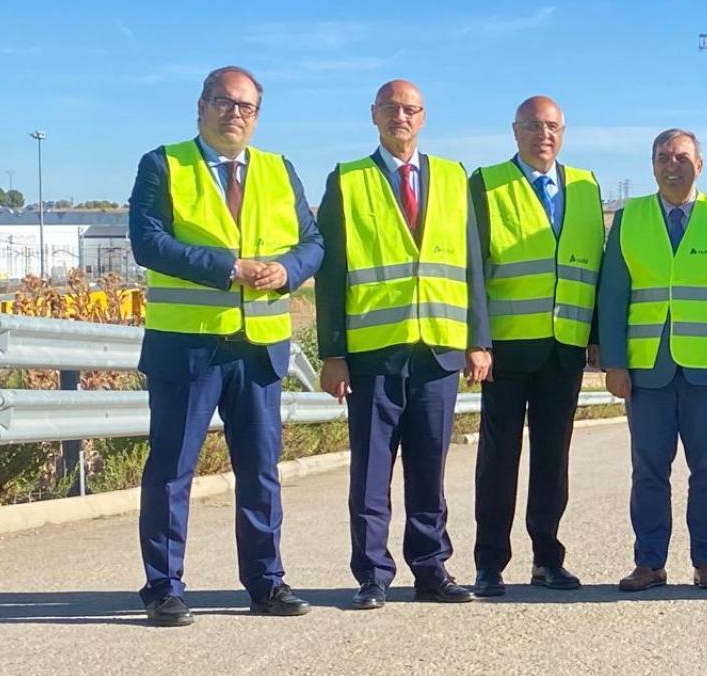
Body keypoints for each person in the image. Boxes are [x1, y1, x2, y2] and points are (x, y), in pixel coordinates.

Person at [127, 66, 323, 627]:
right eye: (224, 102)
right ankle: (164, 587)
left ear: (257, 115)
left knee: (261, 470)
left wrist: (286, 270)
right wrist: (227, 268)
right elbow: (148, 242)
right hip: (187, 348)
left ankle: (266, 583)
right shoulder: (163, 164)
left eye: (246, 106)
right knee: (172, 469)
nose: (234, 114)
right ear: (201, 105)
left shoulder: (279, 170)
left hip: (258, 347)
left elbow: (314, 243)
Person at [316, 79, 491, 610]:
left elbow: (471, 263)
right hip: (374, 353)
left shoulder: (453, 177)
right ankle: (372, 573)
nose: (402, 117)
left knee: (430, 466)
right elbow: (331, 274)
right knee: (371, 470)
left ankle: (430, 566)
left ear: (424, 117)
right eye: (392, 108)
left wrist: (477, 340)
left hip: (438, 349)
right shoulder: (348, 181)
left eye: (411, 110)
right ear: (373, 115)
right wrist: (333, 352)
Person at [598, 129, 707, 592]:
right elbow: (613, 295)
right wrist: (614, 361)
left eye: (683, 157)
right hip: (647, 368)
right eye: (663, 157)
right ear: (652, 165)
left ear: (700, 165)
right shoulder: (629, 218)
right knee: (649, 469)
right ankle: (649, 562)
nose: (673, 165)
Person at [466, 96, 603, 598]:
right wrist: (477, 340)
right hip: (505, 348)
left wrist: (594, 338)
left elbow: (594, 264)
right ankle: (489, 563)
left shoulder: (586, 186)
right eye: (533, 126)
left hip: (564, 346)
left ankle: (547, 557)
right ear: (515, 131)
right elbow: (473, 269)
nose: (543, 135)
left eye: (552, 127)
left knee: (553, 457)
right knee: (499, 458)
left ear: (563, 132)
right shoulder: (487, 183)